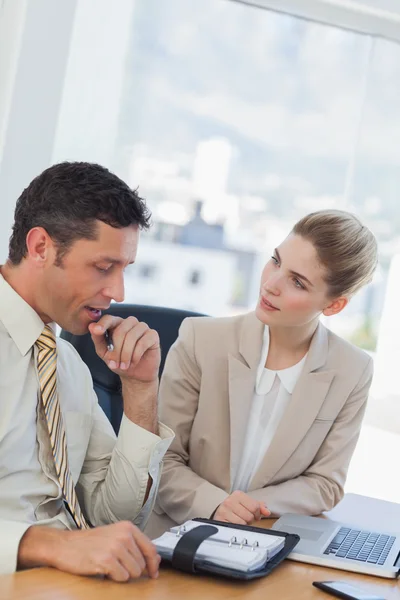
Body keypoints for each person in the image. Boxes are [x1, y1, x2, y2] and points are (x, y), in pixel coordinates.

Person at [145, 210, 378, 539]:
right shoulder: (201, 339)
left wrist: (247, 505)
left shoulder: (352, 369)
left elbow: (326, 484)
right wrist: (215, 504)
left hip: (263, 538)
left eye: (297, 281)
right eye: (275, 261)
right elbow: (161, 458)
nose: (270, 284)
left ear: (334, 306)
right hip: (173, 534)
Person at [0, 162, 174, 580]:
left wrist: (139, 387)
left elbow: (114, 514)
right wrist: (50, 545)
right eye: (103, 267)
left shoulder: (66, 364)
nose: (118, 292)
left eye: (124, 270)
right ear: (41, 247)